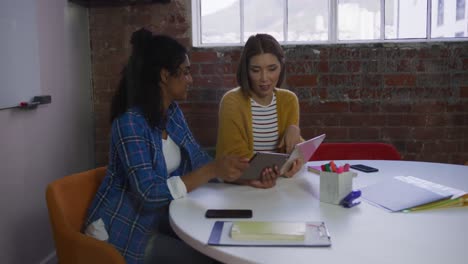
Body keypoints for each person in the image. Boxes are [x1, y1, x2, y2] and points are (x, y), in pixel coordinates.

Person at [84, 28, 249, 264]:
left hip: (160, 218)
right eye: (186, 72)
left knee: (221, 241)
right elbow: (149, 193)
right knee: (208, 259)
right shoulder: (129, 123)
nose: (190, 79)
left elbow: (197, 159)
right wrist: (213, 170)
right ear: (164, 75)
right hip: (123, 229)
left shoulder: (172, 112)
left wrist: (242, 176)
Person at [216, 33, 303, 189]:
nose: (264, 78)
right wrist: (281, 167)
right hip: (241, 188)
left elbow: (292, 154)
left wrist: (295, 135)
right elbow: (234, 156)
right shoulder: (232, 101)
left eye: (272, 69)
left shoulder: (289, 100)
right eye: (256, 70)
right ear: (246, 70)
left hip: (280, 187)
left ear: (281, 67)